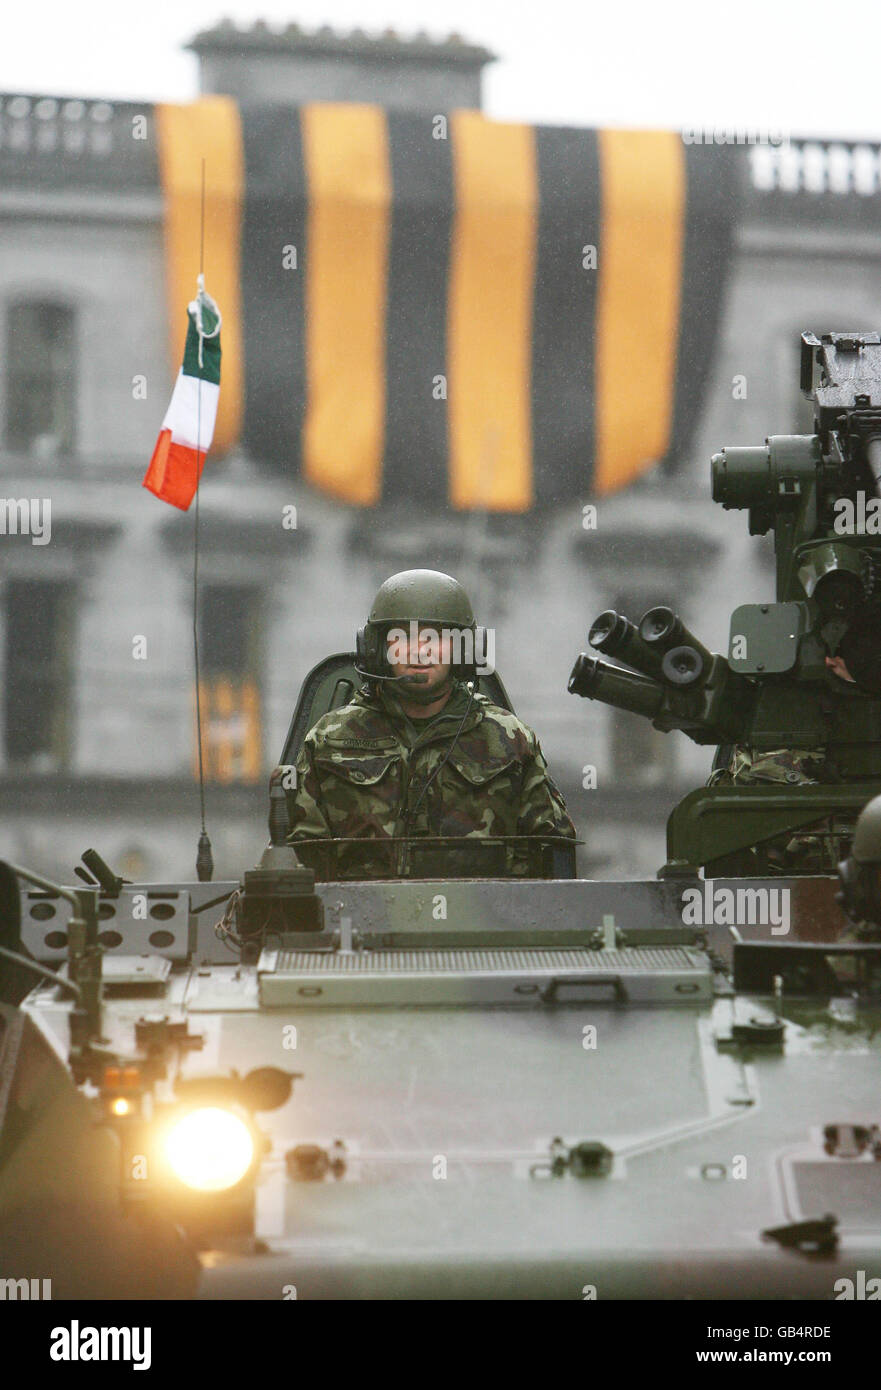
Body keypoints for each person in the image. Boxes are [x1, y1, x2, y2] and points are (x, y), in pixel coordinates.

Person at [285, 569, 577, 879]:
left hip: (484, 921)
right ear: (377, 649)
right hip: (358, 919)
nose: (419, 652)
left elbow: (552, 857)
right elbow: (299, 858)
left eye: (436, 639)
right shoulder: (330, 741)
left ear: (462, 651)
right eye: (402, 639)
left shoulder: (510, 740)